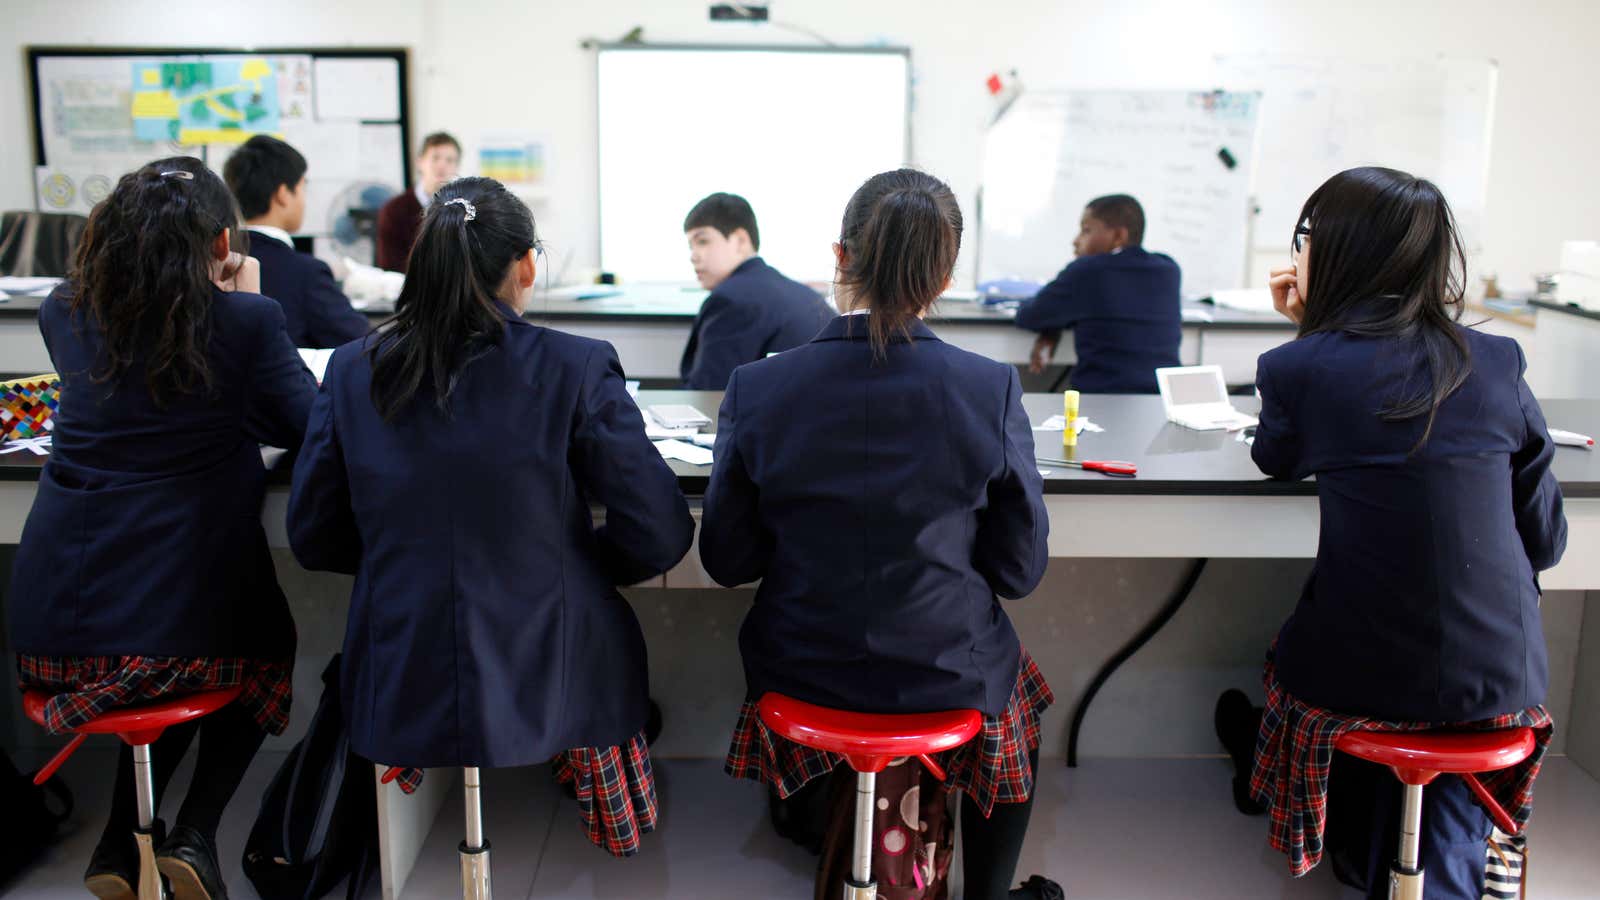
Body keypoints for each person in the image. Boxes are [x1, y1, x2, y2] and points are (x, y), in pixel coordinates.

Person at [287, 176, 693, 858]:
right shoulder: (577, 366)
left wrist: (406, 561)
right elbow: (658, 530)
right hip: (552, 665)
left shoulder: (354, 369)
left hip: (402, 656)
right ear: (527, 264)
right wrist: (582, 567)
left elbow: (312, 534)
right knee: (601, 633)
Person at [701, 169, 1060, 900]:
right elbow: (1019, 570)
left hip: (800, 667)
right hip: (942, 667)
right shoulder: (987, 388)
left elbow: (727, 560)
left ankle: (826, 828)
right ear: (946, 275)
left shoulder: (758, 388)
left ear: (840, 257)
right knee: (1018, 694)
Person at [1216, 166, 1565, 900]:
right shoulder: (1497, 361)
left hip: (1361, 676)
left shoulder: (1298, 366)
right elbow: (1547, 543)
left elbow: (1275, 458)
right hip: (1502, 677)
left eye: (1304, 237)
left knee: (1284, 653)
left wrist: (1308, 333)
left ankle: (1270, 777)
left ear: (1333, 252)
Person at [7, 157, 318, 899]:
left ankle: (118, 843)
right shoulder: (243, 318)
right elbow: (308, 422)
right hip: (172, 633)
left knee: (176, 646)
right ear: (220, 243)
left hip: (51, 638)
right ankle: (196, 835)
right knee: (256, 649)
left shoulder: (64, 309)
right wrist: (247, 299)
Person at [1014, 194, 1181, 393]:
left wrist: (1052, 328)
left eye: (1086, 231)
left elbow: (1030, 316)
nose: (1076, 241)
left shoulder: (1087, 271)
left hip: (1102, 400)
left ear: (1119, 236)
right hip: (1162, 400)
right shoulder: (1168, 269)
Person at [223, 135, 372, 349]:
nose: (304, 199)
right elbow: (364, 345)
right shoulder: (306, 273)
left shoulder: (212, 262)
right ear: (283, 194)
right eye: (302, 188)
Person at [679, 192, 832, 390]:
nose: (693, 256)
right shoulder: (805, 295)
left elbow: (707, 395)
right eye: (690, 246)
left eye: (702, 241)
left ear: (741, 240)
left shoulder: (730, 300)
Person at [375, 131, 461, 272]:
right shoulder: (393, 210)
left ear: (456, 167)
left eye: (449, 160)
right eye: (435, 158)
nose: (442, 166)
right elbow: (390, 266)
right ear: (420, 162)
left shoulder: (464, 210)